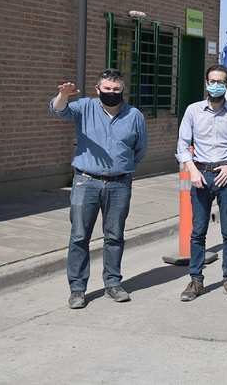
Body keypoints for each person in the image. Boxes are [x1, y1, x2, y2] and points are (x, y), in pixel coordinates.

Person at [50, 69, 147, 309]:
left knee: (114, 236)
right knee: (80, 236)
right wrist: (63, 95)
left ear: (122, 90)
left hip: (119, 184)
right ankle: (77, 289)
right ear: (98, 90)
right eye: (107, 89)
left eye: (116, 90)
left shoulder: (134, 115)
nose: (111, 93)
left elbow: (140, 149)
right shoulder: (85, 107)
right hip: (86, 181)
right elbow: (58, 110)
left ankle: (113, 284)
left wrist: (120, 166)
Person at [176, 64, 227, 302]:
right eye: (212, 81)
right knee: (198, 231)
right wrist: (192, 171)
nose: (215, 85)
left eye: (220, 82)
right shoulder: (193, 111)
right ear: (206, 83)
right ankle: (196, 280)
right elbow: (182, 144)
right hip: (201, 174)